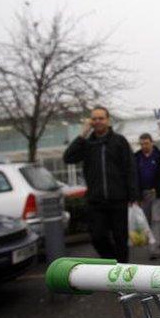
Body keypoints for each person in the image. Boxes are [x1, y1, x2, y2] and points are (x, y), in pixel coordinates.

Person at [63, 106, 138, 263]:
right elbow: (68, 158)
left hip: (118, 199)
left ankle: (123, 275)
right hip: (96, 201)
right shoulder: (87, 143)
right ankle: (112, 262)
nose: (97, 121)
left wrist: (133, 195)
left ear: (108, 120)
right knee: (97, 237)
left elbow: (130, 168)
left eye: (101, 118)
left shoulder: (119, 141)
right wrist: (82, 135)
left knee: (120, 239)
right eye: (94, 119)